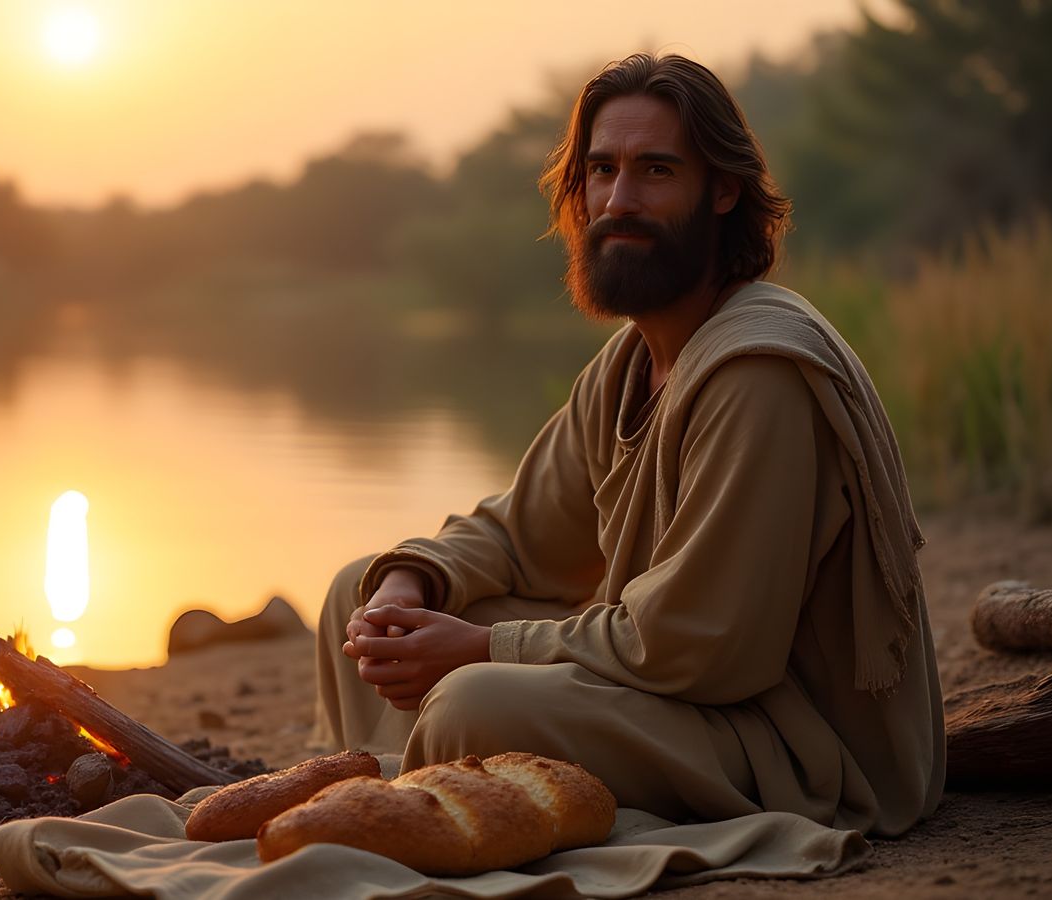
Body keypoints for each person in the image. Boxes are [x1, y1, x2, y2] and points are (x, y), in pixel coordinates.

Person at [314, 52, 944, 837]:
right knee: (358, 599)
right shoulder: (631, 363)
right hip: (677, 697)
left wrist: (482, 646)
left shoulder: (758, 373)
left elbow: (704, 647)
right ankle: (395, 798)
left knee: (470, 702)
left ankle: (411, 810)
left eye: (656, 171)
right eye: (602, 170)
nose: (620, 201)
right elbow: (519, 536)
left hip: (786, 740)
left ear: (723, 189)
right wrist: (408, 584)